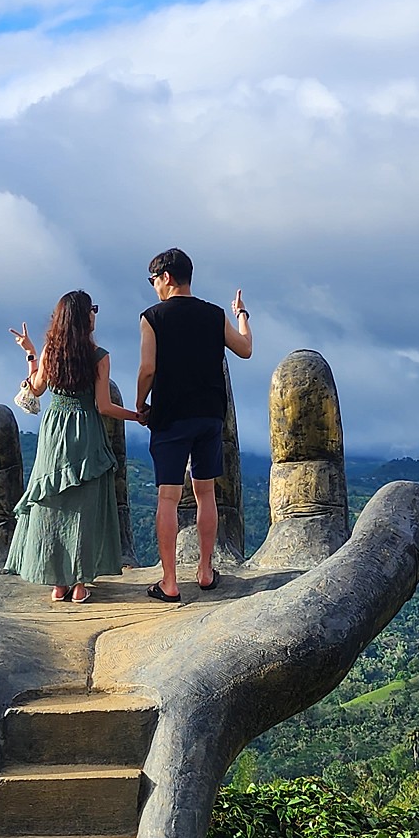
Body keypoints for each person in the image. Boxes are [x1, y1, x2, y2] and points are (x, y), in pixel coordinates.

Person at [8, 290, 142, 603]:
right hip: (87, 430)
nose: (95, 313)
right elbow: (105, 406)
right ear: (85, 317)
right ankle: (80, 583)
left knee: (53, 502)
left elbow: (36, 389)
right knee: (84, 507)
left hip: (54, 432)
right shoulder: (99, 356)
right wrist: (138, 416)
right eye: (93, 309)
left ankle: (57, 582)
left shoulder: (50, 351)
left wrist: (30, 353)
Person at [135, 248, 252, 603]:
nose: (154, 286)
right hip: (209, 415)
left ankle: (169, 582)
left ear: (167, 277)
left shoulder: (152, 317)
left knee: (168, 498)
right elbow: (245, 349)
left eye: (153, 279)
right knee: (206, 493)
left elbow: (148, 369)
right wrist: (242, 314)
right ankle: (205, 570)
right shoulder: (214, 315)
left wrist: (142, 405)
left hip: (171, 415)